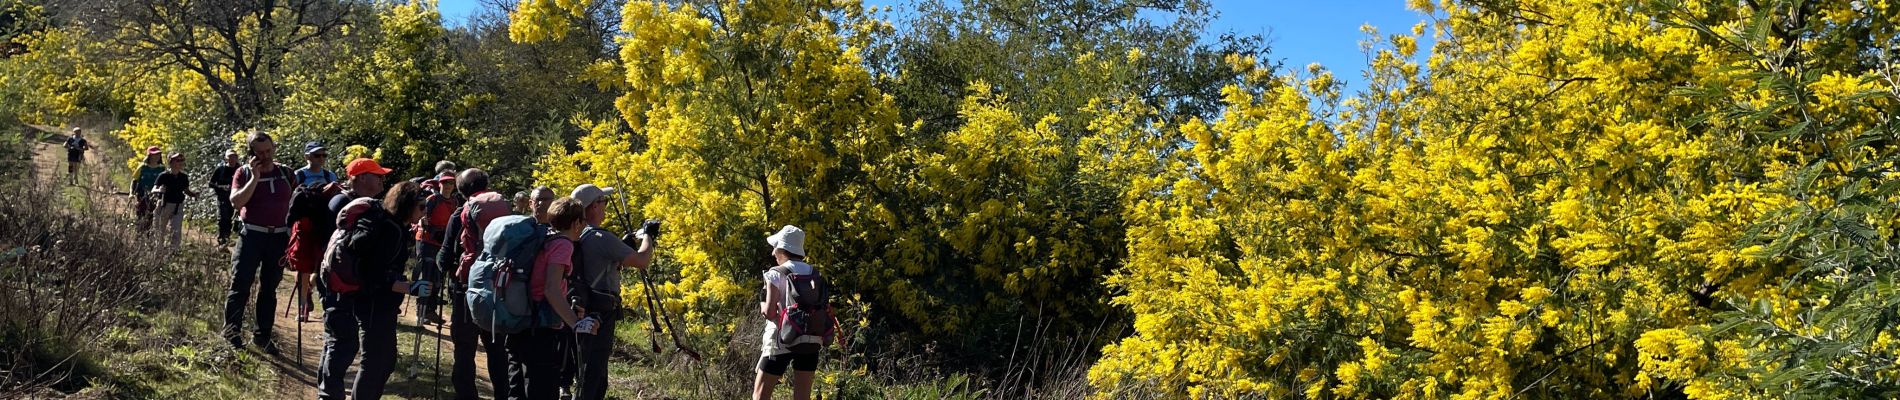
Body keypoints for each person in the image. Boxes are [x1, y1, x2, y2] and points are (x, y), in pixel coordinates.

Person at [315, 177, 433, 400]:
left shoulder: (391, 225)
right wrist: (409, 287)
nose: (424, 211)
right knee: (377, 362)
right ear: (407, 205)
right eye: (421, 206)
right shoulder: (391, 231)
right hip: (373, 303)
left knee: (383, 361)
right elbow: (374, 274)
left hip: (373, 303)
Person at [567, 184, 657, 400]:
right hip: (600, 310)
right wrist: (649, 237)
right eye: (603, 202)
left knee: (586, 369)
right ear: (592, 207)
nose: (606, 206)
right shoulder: (601, 238)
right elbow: (642, 260)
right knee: (594, 375)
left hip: (579, 307)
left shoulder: (577, 233)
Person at [504, 197, 598, 400]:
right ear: (576, 223)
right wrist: (575, 324)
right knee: (542, 388)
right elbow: (551, 289)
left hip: (521, 316)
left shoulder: (544, 237)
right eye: (583, 220)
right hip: (541, 326)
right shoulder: (563, 245)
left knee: (517, 386)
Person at [445, 169, 515, 399]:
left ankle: (466, 395)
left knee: (465, 349)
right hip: (499, 287)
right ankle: (503, 395)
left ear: (461, 190)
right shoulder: (505, 210)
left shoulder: (459, 214)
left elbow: (445, 256)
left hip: (467, 290)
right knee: (497, 350)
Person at [226, 131, 294, 353]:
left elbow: (298, 202)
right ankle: (232, 332)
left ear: (274, 147)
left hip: (279, 237)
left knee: (270, 288)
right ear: (251, 153)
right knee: (240, 284)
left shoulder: (286, 173)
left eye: (268, 151)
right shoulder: (243, 173)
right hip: (252, 235)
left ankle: (262, 336)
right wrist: (255, 178)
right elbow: (236, 202)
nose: (265, 156)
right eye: (260, 152)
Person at [754, 225, 824, 400]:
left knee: (760, 395)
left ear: (782, 249)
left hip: (780, 340)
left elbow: (769, 312)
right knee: (802, 396)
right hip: (811, 338)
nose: (773, 254)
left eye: (775, 248)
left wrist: (763, 301)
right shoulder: (815, 273)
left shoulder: (775, 273)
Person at [412, 171, 460, 324]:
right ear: (439, 184)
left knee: (438, 278)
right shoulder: (432, 199)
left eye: (451, 183)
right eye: (445, 183)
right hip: (427, 241)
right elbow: (422, 218)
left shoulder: (454, 202)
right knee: (426, 276)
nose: (447, 186)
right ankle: (422, 311)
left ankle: (430, 310)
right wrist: (433, 232)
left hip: (442, 243)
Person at [152, 152, 200, 249]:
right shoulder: (163, 176)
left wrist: (194, 194)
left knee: (176, 231)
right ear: (171, 162)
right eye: (177, 160)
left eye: (182, 160)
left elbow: (186, 190)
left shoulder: (184, 177)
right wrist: (159, 190)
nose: (180, 163)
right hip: (163, 205)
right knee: (160, 230)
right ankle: (158, 252)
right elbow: (154, 189)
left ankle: (173, 252)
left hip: (178, 206)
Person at [131, 147, 166, 231]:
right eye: (154, 155)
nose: (156, 157)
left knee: (152, 218)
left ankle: (148, 237)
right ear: (149, 156)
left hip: (156, 197)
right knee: (141, 216)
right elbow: (134, 181)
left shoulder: (162, 169)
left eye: (158, 155)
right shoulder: (142, 167)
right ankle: (139, 235)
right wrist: (131, 193)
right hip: (142, 196)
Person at [210, 150, 241, 246]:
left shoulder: (240, 169)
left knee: (234, 219)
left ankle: (229, 237)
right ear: (225, 158)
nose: (232, 159)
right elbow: (211, 183)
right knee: (223, 218)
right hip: (222, 197)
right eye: (230, 157)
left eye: (234, 156)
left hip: (237, 198)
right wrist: (220, 187)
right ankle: (222, 238)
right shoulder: (220, 169)